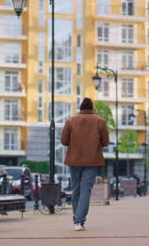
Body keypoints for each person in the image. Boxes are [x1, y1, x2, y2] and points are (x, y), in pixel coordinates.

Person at [61, 98, 109, 231]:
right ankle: (79, 220)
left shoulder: (71, 121)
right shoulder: (100, 121)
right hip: (92, 161)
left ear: (81, 108)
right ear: (91, 108)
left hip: (74, 160)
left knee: (76, 190)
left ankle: (77, 220)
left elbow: (64, 141)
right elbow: (105, 142)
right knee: (85, 190)